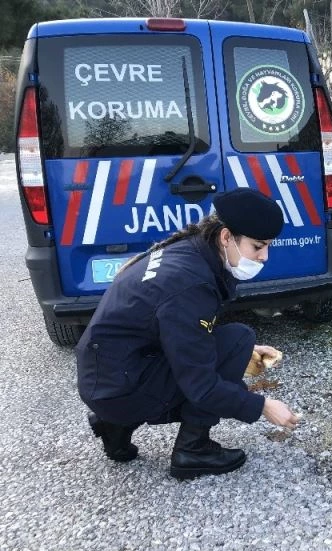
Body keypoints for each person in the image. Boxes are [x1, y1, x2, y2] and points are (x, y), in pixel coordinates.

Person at [75, 188, 300, 479]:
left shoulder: (189, 250)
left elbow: (177, 331)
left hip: (107, 378)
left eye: (268, 246)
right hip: (119, 389)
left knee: (240, 343)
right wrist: (263, 407)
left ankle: (114, 424)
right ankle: (193, 450)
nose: (264, 256)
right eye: (258, 246)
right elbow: (201, 386)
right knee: (235, 343)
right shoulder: (190, 285)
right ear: (226, 237)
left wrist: (247, 351)